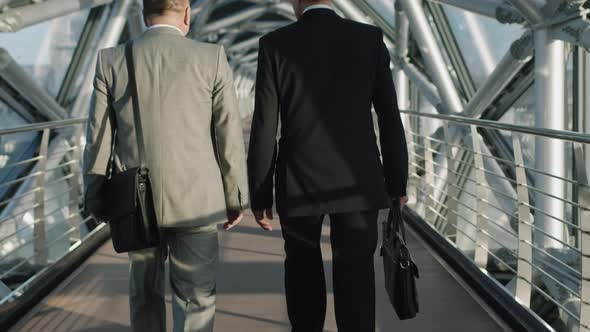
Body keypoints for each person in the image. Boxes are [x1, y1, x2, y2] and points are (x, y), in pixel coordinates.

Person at [82, 1, 249, 331]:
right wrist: (235, 197)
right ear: (187, 12)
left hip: (135, 203)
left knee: (144, 292)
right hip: (196, 201)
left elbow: (98, 139)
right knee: (196, 297)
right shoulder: (211, 57)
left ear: (144, 14)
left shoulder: (111, 61)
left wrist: (95, 195)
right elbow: (228, 136)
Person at [247, 0, 409, 331]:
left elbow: (264, 127)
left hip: (298, 180)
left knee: (302, 272)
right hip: (358, 180)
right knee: (356, 275)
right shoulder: (369, 39)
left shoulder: (275, 43)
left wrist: (260, 196)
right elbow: (390, 118)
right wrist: (397, 182)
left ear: (296, 1)